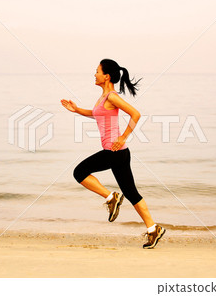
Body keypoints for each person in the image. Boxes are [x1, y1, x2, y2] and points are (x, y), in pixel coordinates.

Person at [60, 59, 165, 249]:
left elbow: (136, 114)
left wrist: (124, 136)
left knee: (79, 172)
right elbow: (95, 114)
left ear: (106, 76)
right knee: (132, 193)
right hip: (120, 153)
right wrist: (76, 110)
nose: (95, 74)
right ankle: (153, 229)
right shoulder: (103, 98)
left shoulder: (111, 97)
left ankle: (111, 198)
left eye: (97, 71)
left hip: (114, 151)